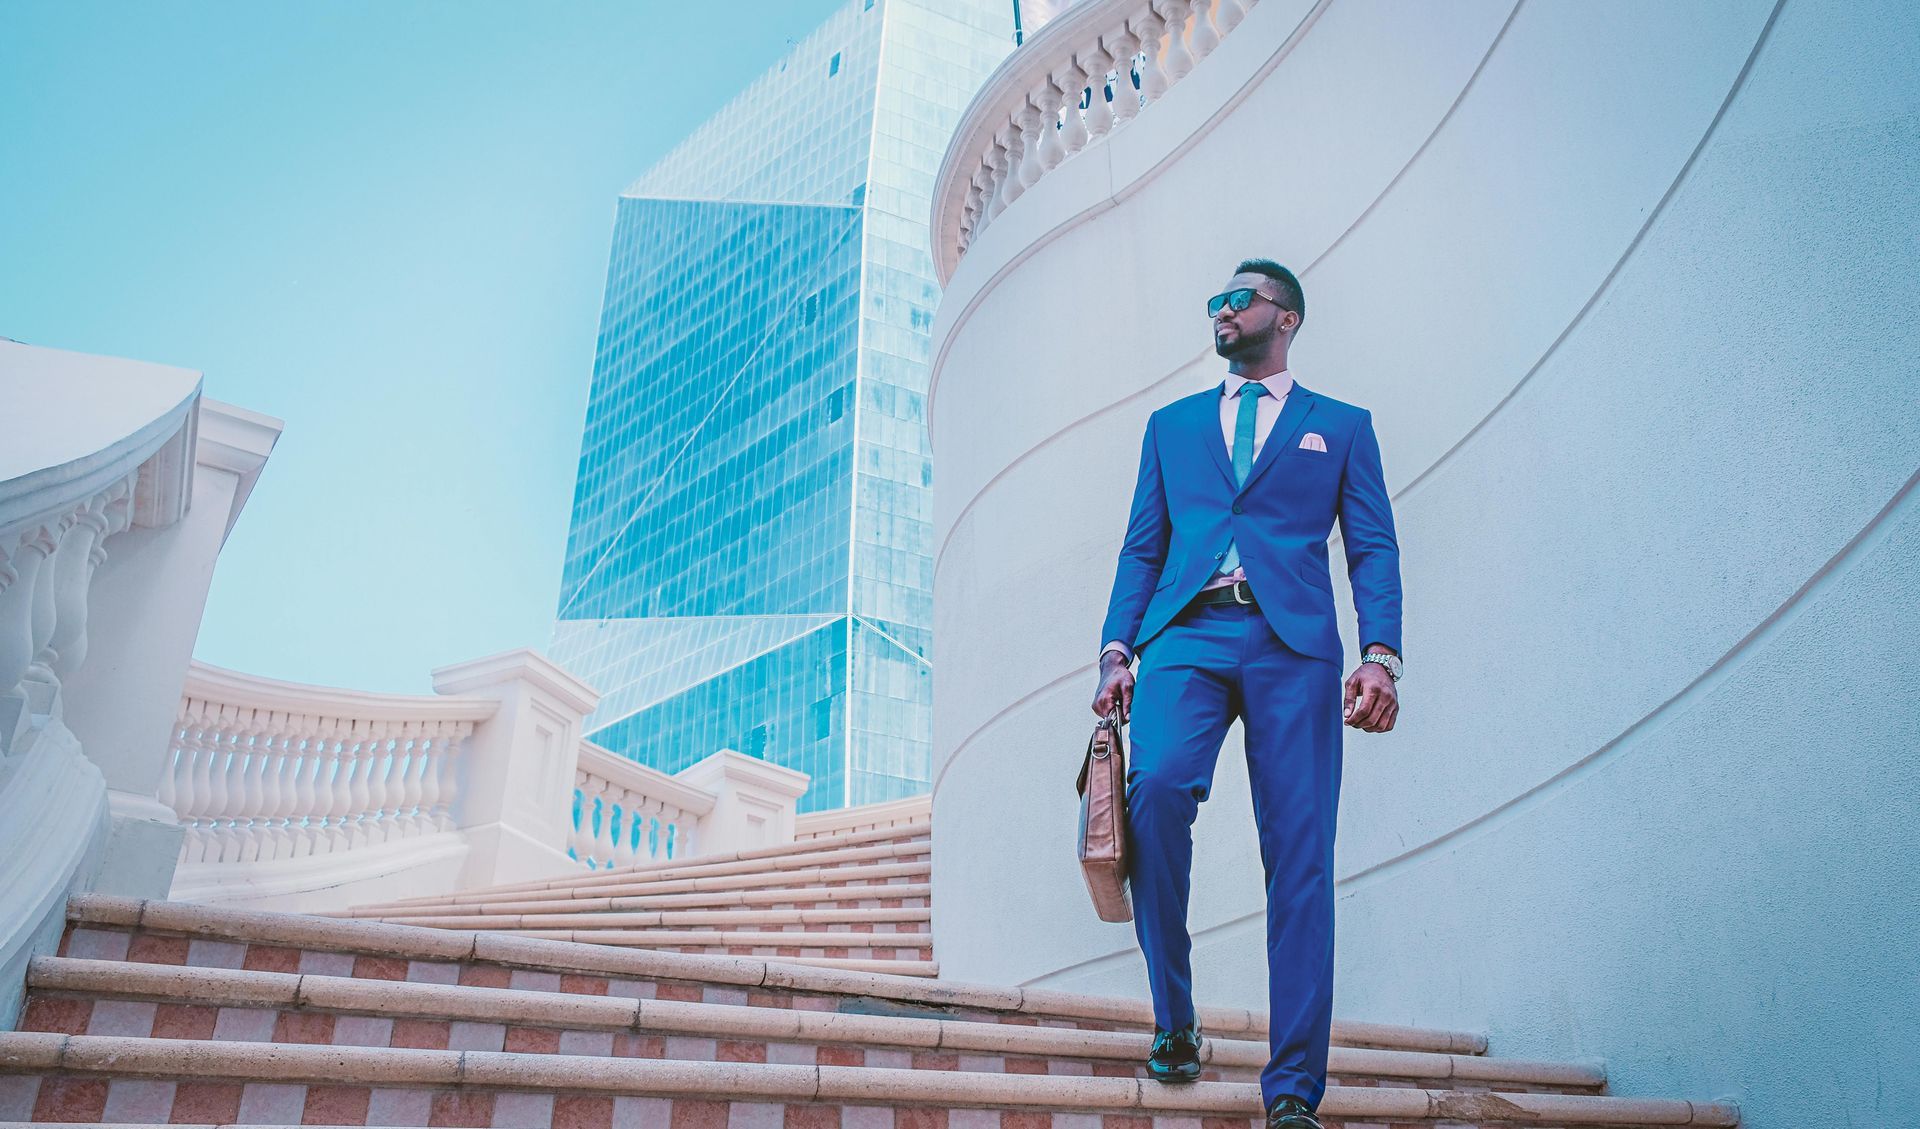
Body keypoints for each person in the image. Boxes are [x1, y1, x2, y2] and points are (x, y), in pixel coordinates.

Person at [1091, 259, 1403, 1129]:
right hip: (1185, 634)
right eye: (1216, 302)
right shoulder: (1173, 426)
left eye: (1242, 299)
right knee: (1152, 796)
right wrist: (1117, 646)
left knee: (1299, 854)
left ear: (1287, 318)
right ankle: (1175, 1018)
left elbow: (1372, 547)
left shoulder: (1341, 427)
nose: (1224, 312)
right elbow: (1140, 547)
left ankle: (1295, 1087)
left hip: (1293, 646)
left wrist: (1381, 652)